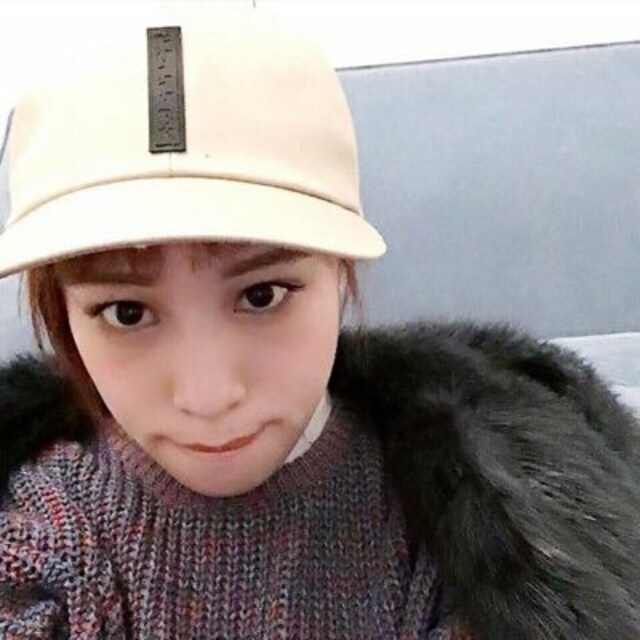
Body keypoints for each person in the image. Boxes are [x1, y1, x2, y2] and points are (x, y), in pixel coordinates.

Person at [0, 6, 639, 639]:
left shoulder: (466, 530)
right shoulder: (47, 532)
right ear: (63, 318)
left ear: (339, 274)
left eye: (261, 296)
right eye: (128, 313)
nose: (208, 395)